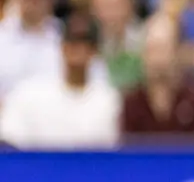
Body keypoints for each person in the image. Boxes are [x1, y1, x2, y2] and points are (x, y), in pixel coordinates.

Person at [0, 14, 120, 149]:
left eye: (86, 43)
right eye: (72, 41)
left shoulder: (109, 100)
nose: (79, 49)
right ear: (62, 45)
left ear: (95, 51)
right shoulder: (29, 95)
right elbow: (8, 144)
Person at [120, 14, 194, 138]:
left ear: (178, 51)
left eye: (163, 49)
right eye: (151, 50)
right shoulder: (132, 102)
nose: (157, 59)